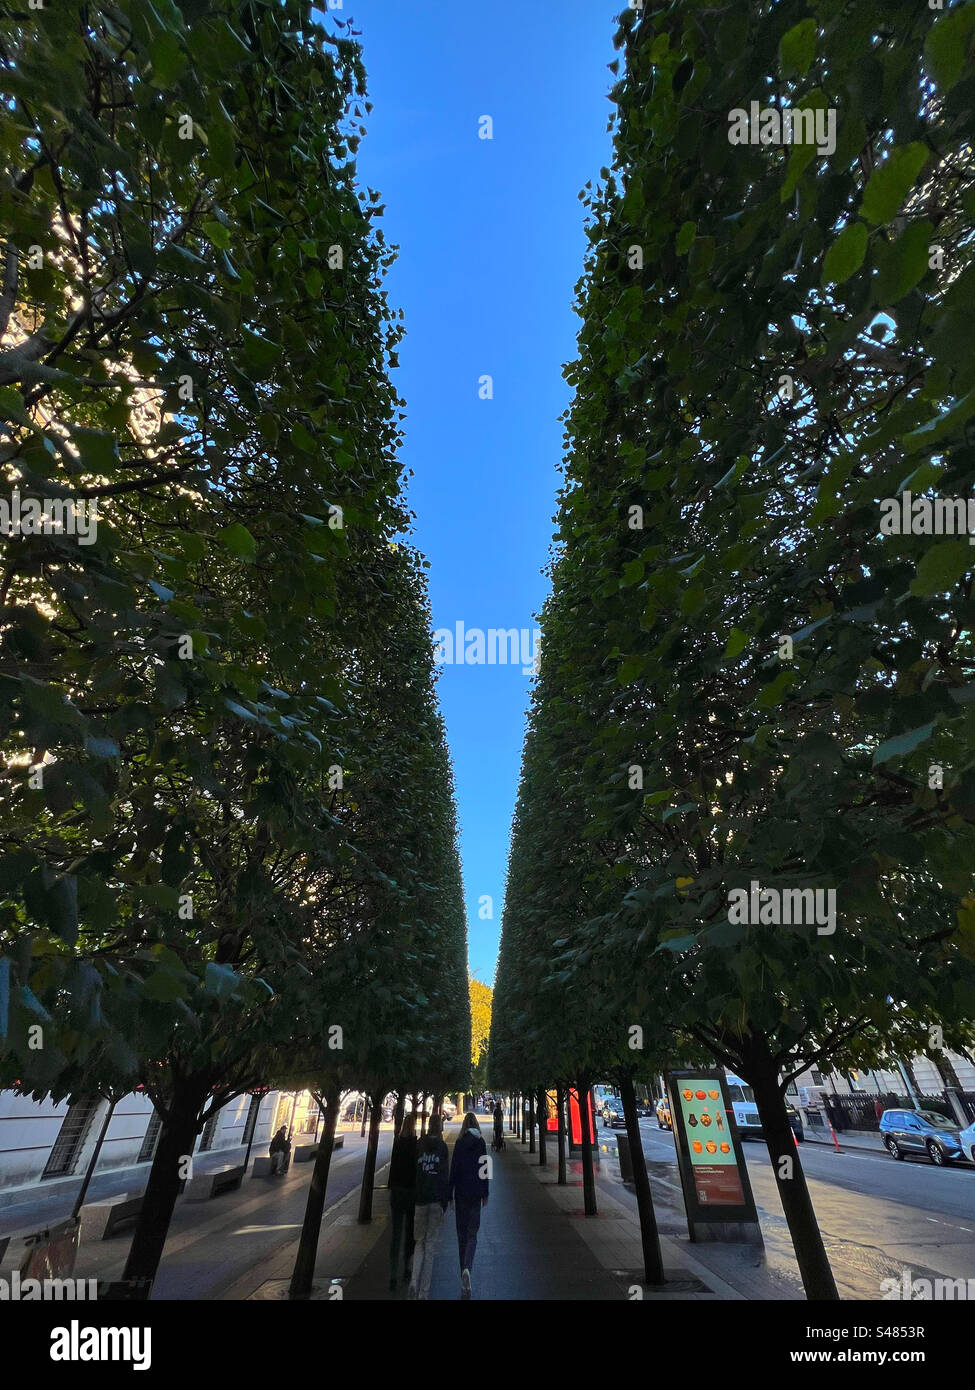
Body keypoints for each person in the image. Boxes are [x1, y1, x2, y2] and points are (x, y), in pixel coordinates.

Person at [448, 1112, 489, 1299]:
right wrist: (485, 1193)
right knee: (473, 1233)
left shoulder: (459, 1143)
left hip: (461, 1193)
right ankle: (468, 1269)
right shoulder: (481, 1143)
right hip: (476, 1193)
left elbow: (454, 1170)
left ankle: (463, 1270)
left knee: (461, 1234)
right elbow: (485, 1169)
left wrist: (449, 1195)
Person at [410, 1114, 449, 1300]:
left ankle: (413, 1282)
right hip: (435, 1199)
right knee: (431, 1246)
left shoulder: (419, 1144)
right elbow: (444, 1176)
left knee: (420, 1243)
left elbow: (414, 1171)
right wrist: (445, 1201)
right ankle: (423, 1293)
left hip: (420, 1199)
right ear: (440, 1127)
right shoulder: (442, 1147)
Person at [387, 1112, 418, 1291]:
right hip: (411, 1192)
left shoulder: (397, 1142)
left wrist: (390, 1187)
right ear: (413, 1126)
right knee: (409, 1233)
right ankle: (407, 1267)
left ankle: (393, 1274)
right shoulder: (415, 1144)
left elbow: (393, 1167)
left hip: (397, 1192)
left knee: (396, 1233)